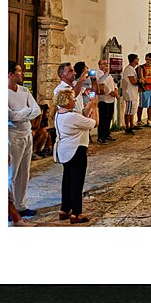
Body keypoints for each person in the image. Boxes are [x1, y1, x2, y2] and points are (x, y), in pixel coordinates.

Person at [53, 87, 98, 224]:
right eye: (72, 99)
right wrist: (95, 107)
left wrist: (88, 106)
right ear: (67, 101)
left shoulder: (60, 114)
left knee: (67, 180)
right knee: (77, 182)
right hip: (76, 150)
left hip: (64, 150)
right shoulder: (72, 117)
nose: (74, 101)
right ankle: (76, 213)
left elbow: (81, 116)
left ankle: (65, 209)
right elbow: (94, 123)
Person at [8, 61, 41, 217]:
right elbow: (10, 116)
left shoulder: (24, 90)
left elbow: (37, 110)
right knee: (12, 173)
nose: (22, 73)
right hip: (12, 135)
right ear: (10, 74)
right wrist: (26, 112)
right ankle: (9, 208)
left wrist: (21, 113)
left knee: (24, 172)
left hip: (26, 132)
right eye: (19, 71)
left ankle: (21, 205)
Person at [94, 58, 119, 143]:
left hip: (111, 99)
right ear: (99, 65)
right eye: (103, 64)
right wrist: (110, 92)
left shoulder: (108, 74)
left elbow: (114, 84)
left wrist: (115, 90)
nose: (105, 65)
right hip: (103, 100)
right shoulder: (99, 73)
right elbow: (101, 84)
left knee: (109, 118)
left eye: (106, 64)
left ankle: (107, 134)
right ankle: (101, 137)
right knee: (103, 119)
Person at [136, 53, 151, 127]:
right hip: (144, 88)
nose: (148, 61)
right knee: (141, 105)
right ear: (145, 59)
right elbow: (141, 79)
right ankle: (139, 120)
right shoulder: (141, 68)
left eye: (150, 60)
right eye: (147, 59)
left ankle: (149, 120)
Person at [121, 54, 140, 134]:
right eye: (137, 58)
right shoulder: (129, 69)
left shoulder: (132, 69)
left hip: (133, 93)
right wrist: (140, 81)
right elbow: (133, 81)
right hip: (129, 93)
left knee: (133, 110)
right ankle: (127, 127)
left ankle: (132, 124)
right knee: (128, 110)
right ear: (134, 60)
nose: (138, 60)